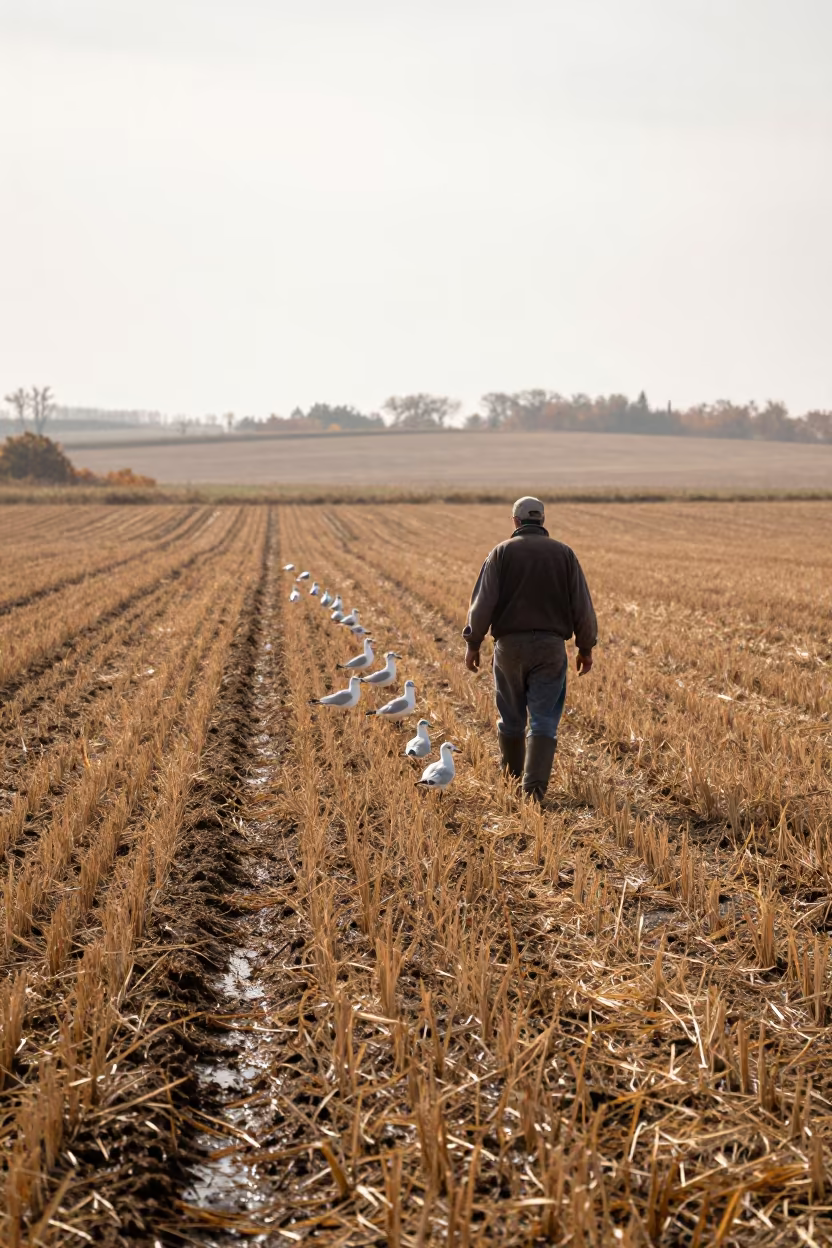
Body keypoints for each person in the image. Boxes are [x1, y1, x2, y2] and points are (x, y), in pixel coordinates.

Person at [462, 496, 597, 802]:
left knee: (511, 717)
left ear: (516, 522)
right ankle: (533, 792)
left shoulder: (501, 553)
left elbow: (482, 604)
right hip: (551, 647)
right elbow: (583, 606)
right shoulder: (565, 554)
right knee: (544, 719)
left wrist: (473, 643)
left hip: (509, 647)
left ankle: (511, 783)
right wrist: (585, 647)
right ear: (543, 520)